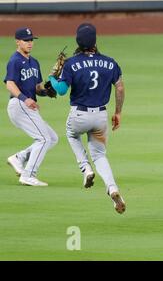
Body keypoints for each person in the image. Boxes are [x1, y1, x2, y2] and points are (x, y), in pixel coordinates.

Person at [48, 23, 126, 214]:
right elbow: (120, 87)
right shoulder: (110, 62)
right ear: (95, 41)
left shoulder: (72, 63)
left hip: (79, 115)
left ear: (78, 41)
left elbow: (61, 90)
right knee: (99, 155)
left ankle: (85, 169)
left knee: (72, 135)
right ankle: (113, 189)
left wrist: (51, 77)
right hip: (100, 117)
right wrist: (118, 112)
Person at [4, 27, 58, 186]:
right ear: (17, 42)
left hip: (28, 106)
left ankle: (19, 157)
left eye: (31, 40)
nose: (30, 43)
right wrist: (24, 98)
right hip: (19, 104)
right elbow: (10, 84)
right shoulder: (14, 61)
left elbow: (36, 88)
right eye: (26, 40)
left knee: (52, 138)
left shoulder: (34, 62)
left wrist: (47, 91)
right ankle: (28, 174)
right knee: (43, 138)